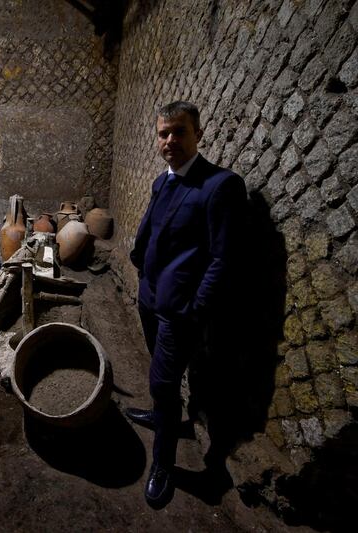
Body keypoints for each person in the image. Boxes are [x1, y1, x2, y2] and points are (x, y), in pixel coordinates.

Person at [127, 101, 246, 509]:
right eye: (163, 133)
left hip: (179, 311)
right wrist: (138, 257)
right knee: (159, 374)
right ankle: (166, 418)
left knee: (162, 382)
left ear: (198, 134)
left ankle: (163, 465)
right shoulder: (164, 182)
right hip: (149, 297)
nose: (170, 140)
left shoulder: (220, 186)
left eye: (179, 132)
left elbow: (222, 259)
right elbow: (153, 226)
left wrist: (196, 308)